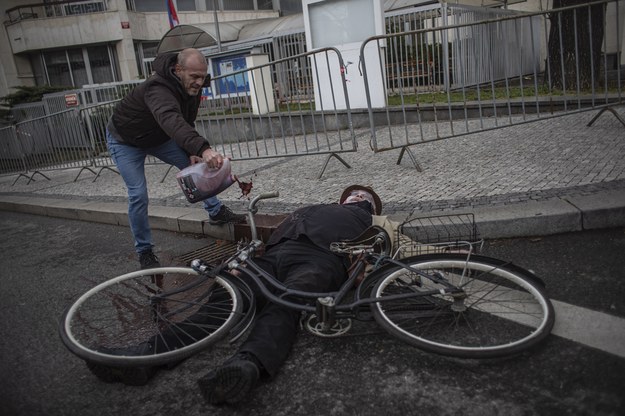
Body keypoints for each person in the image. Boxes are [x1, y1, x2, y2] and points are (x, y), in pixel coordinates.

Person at [197, 184, 382, 405]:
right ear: (343, 200)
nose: (358, 197)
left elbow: (379, 253)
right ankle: (155, 351)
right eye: (355, 195)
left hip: (323, 258)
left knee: (289, 301)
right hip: (277, 253)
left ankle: (248, 361)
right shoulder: (317, 208)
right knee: (232, 292)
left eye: (365, 198)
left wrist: (361, 271)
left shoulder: (372, 221)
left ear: (372, 209)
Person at [106, 48, 245, 269]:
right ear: (178, 69)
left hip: (159, 137)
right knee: (138, 194)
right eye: (195, 77)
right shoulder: (157, 88)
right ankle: (144, 251)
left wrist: (193, 151)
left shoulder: (192, 86)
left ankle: (216, 212)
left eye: (203, 76)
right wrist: (204, 149)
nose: (200, 82)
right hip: (125, 140)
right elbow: (170, 118)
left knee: (194, 164)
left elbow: (186, 119)